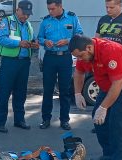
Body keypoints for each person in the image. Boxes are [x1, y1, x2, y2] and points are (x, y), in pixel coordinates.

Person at [69, 35, 122, 160]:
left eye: (81, 56)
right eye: (77, 57)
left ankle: (117, 157)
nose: (80, 59)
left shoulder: (110, 51)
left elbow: (118, 83)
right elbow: (79, 72)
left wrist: (104, 107)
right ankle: (109, 155)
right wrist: (77, 93)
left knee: (117, 122)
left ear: (89, 48)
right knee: (99, 121)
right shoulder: (84, 54)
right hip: (109, 85)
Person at [37, 0, 83, 130]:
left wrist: (68, 41)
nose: (50, 12)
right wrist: (45, 41)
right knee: (48, 90)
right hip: (50, 58)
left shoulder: (72, 17)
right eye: (48, 9)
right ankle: (46, 119)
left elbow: (79, 34)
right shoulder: (46, 21)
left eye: (52, 9)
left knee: (65, 90)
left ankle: (64, 120)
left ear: (60, 7)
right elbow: (39, 38)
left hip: (65, 58)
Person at [0, 0, 39, 133]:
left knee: (21, 93)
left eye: (28, 14)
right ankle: (0, 123)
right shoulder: (7, 21)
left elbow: (32, 40)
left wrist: (34, 45)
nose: (25, 16)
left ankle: (19, 120)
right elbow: (1, 39)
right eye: (24, 13)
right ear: (17, 10)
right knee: (4, 92)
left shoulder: (28, 25)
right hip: (9, 62)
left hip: (24, 63)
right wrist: (19, 43)